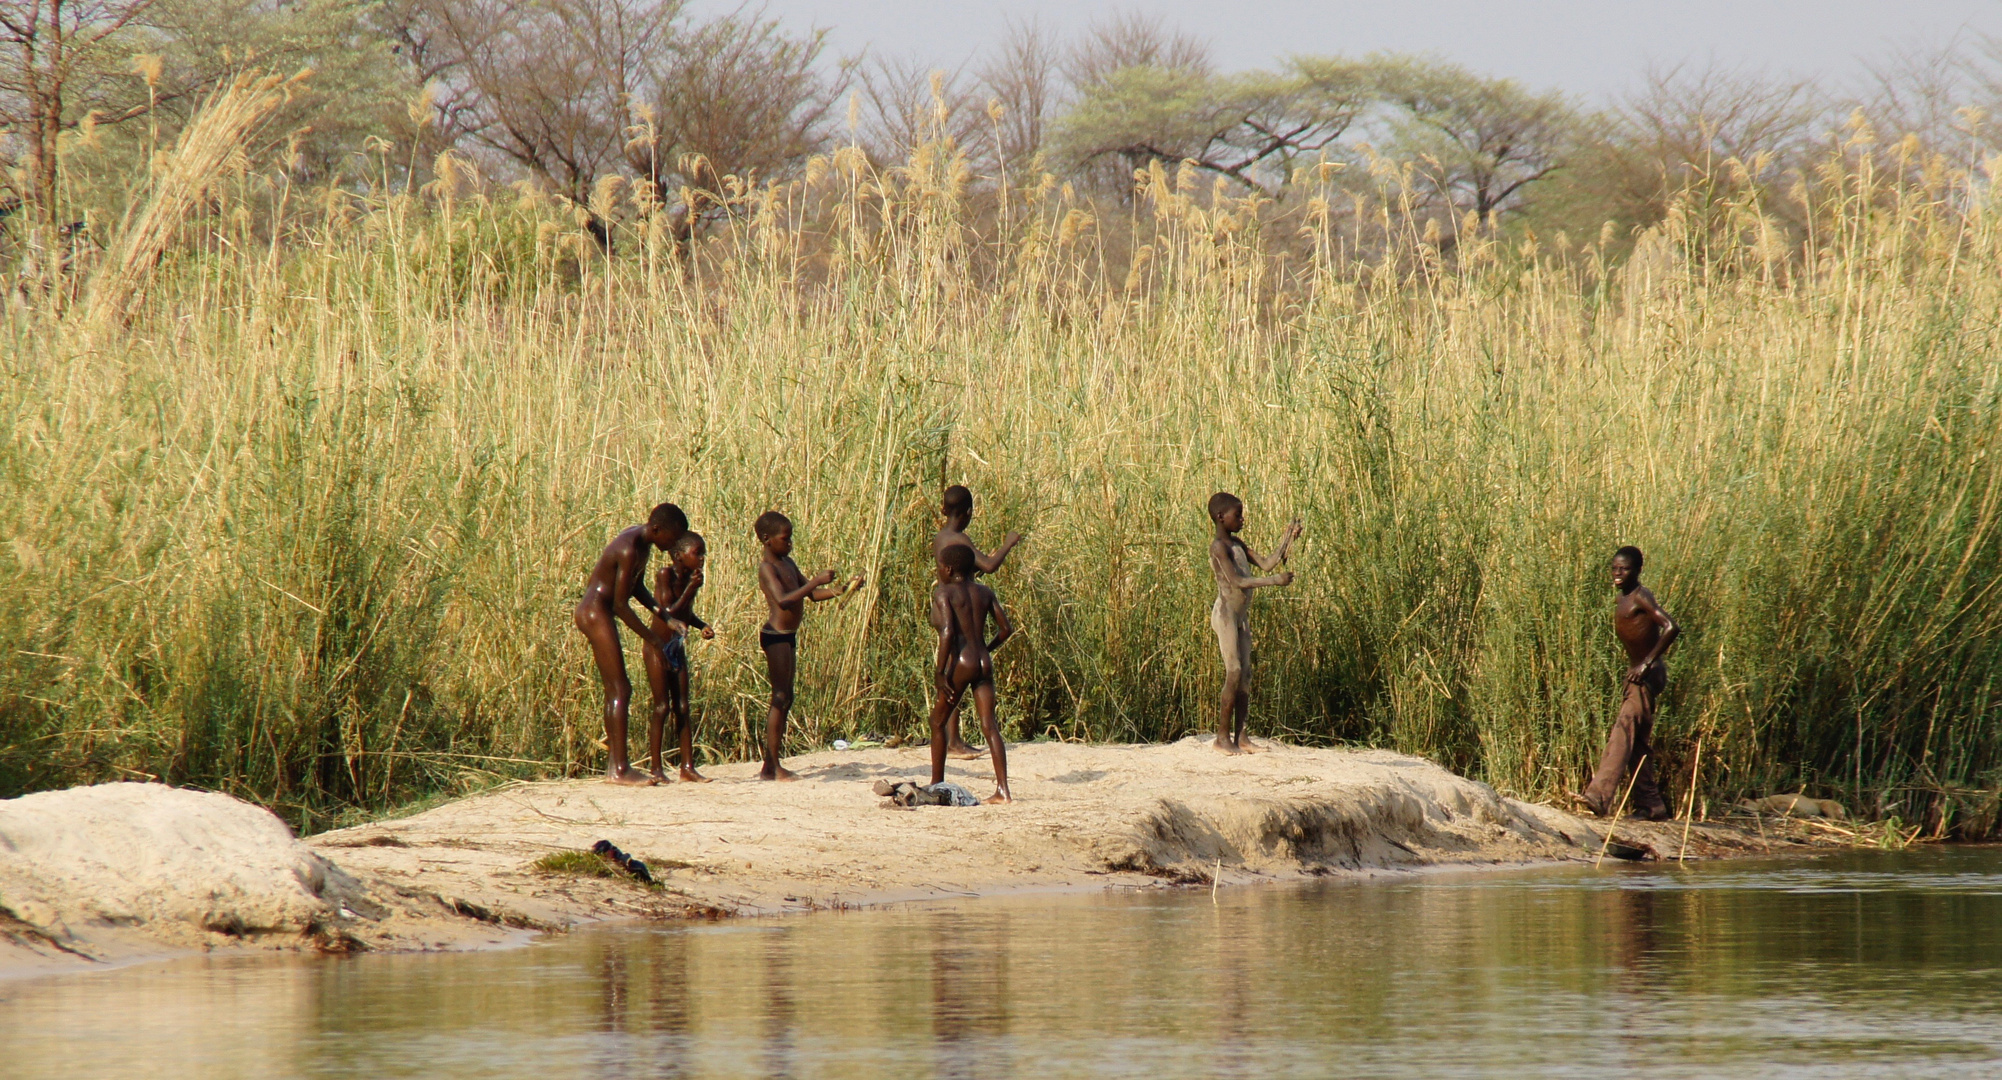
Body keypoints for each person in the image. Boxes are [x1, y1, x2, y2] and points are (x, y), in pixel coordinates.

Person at [574, 503, 687, 785]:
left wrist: (664, 616)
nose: (673, 545)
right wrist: (653, 639)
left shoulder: (644, 544)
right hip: (594, 611)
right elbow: (621, 605)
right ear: (657, 529)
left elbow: (635, 587)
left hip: (602, 610)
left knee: (617, 687)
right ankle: (620, 769)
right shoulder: (629, 547)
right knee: (620, 687)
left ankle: (616, 766)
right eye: (672, 539)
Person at [754, 510, 863, 781]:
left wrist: (844, 588)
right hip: (776, 636)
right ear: (767, 539)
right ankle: (774, 767)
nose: (789, 543)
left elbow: (812, 595)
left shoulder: (788, 563)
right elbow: (783, 600)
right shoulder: (767, 568)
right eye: (785, 538)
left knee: (786, 697)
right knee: (779, 697)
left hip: (788, 635)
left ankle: (770, 764)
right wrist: (815, 580)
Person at [1584, 546, 1680, 819]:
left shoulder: (1641, 597)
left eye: (1624, 569)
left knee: (1623, 729)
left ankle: (1598, 795)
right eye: (1614, 568)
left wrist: (1646, 663)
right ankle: (1651, 805)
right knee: (1637, 744)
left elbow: (1671, 626)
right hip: (1635, 676)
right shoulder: (1622, 598)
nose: (1617, 573)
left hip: (1647, 676)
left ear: (1638, 570)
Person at [931, 484, 1022, 759]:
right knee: (952, 670)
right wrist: (1009, 542)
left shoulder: (941, 536)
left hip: (945, 601)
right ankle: (954, 740)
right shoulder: (960, 540)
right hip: (954, 605)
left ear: (944, 509)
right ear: (969, 512)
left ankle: (953, 738)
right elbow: (990, 566)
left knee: (952, 667)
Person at [1207, 492, 1301, 755]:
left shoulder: (1237, 543)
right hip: (1226, 614)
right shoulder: (1219, 548)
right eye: (1237, 515)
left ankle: (1242, 737)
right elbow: (1236, 581)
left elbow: (1267, 564)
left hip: (1241, 617)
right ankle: (1222, 739)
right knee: (1234, 671)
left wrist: (1287, 539)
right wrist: (1274, 582)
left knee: (1246, 675)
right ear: (1220, 517)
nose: (1242, 519)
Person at [927, 543, 1014, 803]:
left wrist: (940, 671)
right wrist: (986, 649)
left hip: (962, 663)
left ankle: (936, 783)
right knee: (989, 725)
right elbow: (1005, 629)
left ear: (949, 568)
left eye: (939, 567)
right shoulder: (985, 591)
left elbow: (948, 632)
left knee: (937, 721)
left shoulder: (944, 593)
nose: (938, 571)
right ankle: (1003, 790)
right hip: (984, 662)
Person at [643, 531, 715, 784]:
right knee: (662, 706)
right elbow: (668, 612)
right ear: (678, 556)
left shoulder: (689, 577)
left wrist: (701, 624)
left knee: (683, 706)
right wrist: (691, 589)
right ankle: (655, 768)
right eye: (697, 553)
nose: (702, 558)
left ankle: (688, 767)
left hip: (676, 646)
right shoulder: (665, 575)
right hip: (657, 647)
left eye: (703, 553)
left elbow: (686, 613)